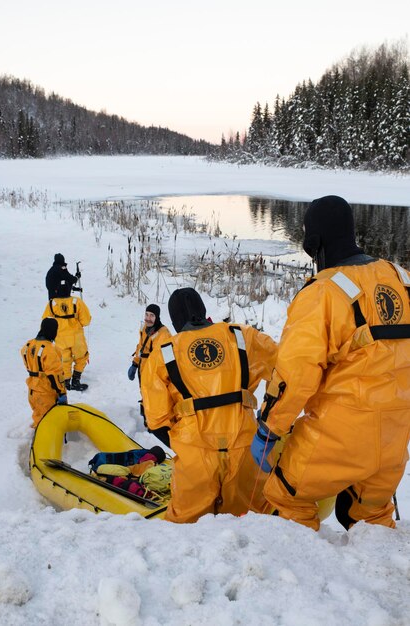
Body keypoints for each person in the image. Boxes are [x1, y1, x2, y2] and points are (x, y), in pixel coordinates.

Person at [251, 195, 410, 531]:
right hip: (395, 438)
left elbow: (296, 373)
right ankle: (381, 574)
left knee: (285, 497)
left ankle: (300, 576)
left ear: (315, 242)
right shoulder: (401, 279)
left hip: (339, 435)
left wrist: (269, 427)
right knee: (373, 516)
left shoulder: (323, 293)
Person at [141, 287, 277, 523]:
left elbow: (156, 420)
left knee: (185, 528)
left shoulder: (162, 354)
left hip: (195, 454)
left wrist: (184, 447)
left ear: (174, 319)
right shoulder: (243, 336)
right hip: (245, 448)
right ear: (203, 310)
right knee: (253, 526)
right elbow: (288, 368)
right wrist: (269, 421)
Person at [128, 304, 172, 445]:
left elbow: (164, 356)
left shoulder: (163, 333)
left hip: (155, 370)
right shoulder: (143, 328)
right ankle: (147, 416)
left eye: (152, 315)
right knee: (144, 392)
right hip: (143, 366)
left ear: (157, 317)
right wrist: (135, 363)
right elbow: (140, 347)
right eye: (147, 314)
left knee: (155, 396)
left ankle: (156, 424)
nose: (148, 318)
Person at [42, 279, 92, 391]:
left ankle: (66, 382)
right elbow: (86, 321)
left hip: (60, 337)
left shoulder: (51, 303)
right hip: (76, 337)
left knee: (64, 360)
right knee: (82, 357)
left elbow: (45, 321)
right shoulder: (77, 302)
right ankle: (76, 381)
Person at [21, 317, 67, 427]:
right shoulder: (50, 349)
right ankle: (42, 442)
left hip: (32, 390)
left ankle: (37, 437)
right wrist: (61, 392)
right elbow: (55, 374)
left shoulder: (28, 344)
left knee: (39, 418)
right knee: (48, 423)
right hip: (46, 392)